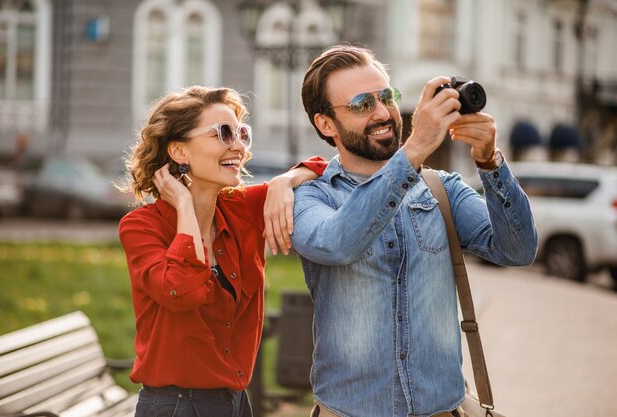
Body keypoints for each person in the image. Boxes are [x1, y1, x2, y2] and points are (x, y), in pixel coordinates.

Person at [291, 44, 538, 417]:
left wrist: (490, 161)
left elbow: (518, 250)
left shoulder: (442, 189)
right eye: (361, 104)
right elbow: (335, 244)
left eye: (386, 97)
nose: (383, 113)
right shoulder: (310, 197)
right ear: (325, 124)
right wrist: (415, 149)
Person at [118, 85, 326, 417]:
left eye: (242, 134)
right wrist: (185, 208)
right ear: (179, 152)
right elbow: (182, 291)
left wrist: (283, 182)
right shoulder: (141, 226)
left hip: (235, 402)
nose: (239, 146)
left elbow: (328, 170)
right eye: (223, 133)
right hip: (175, 406)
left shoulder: (241, 208)